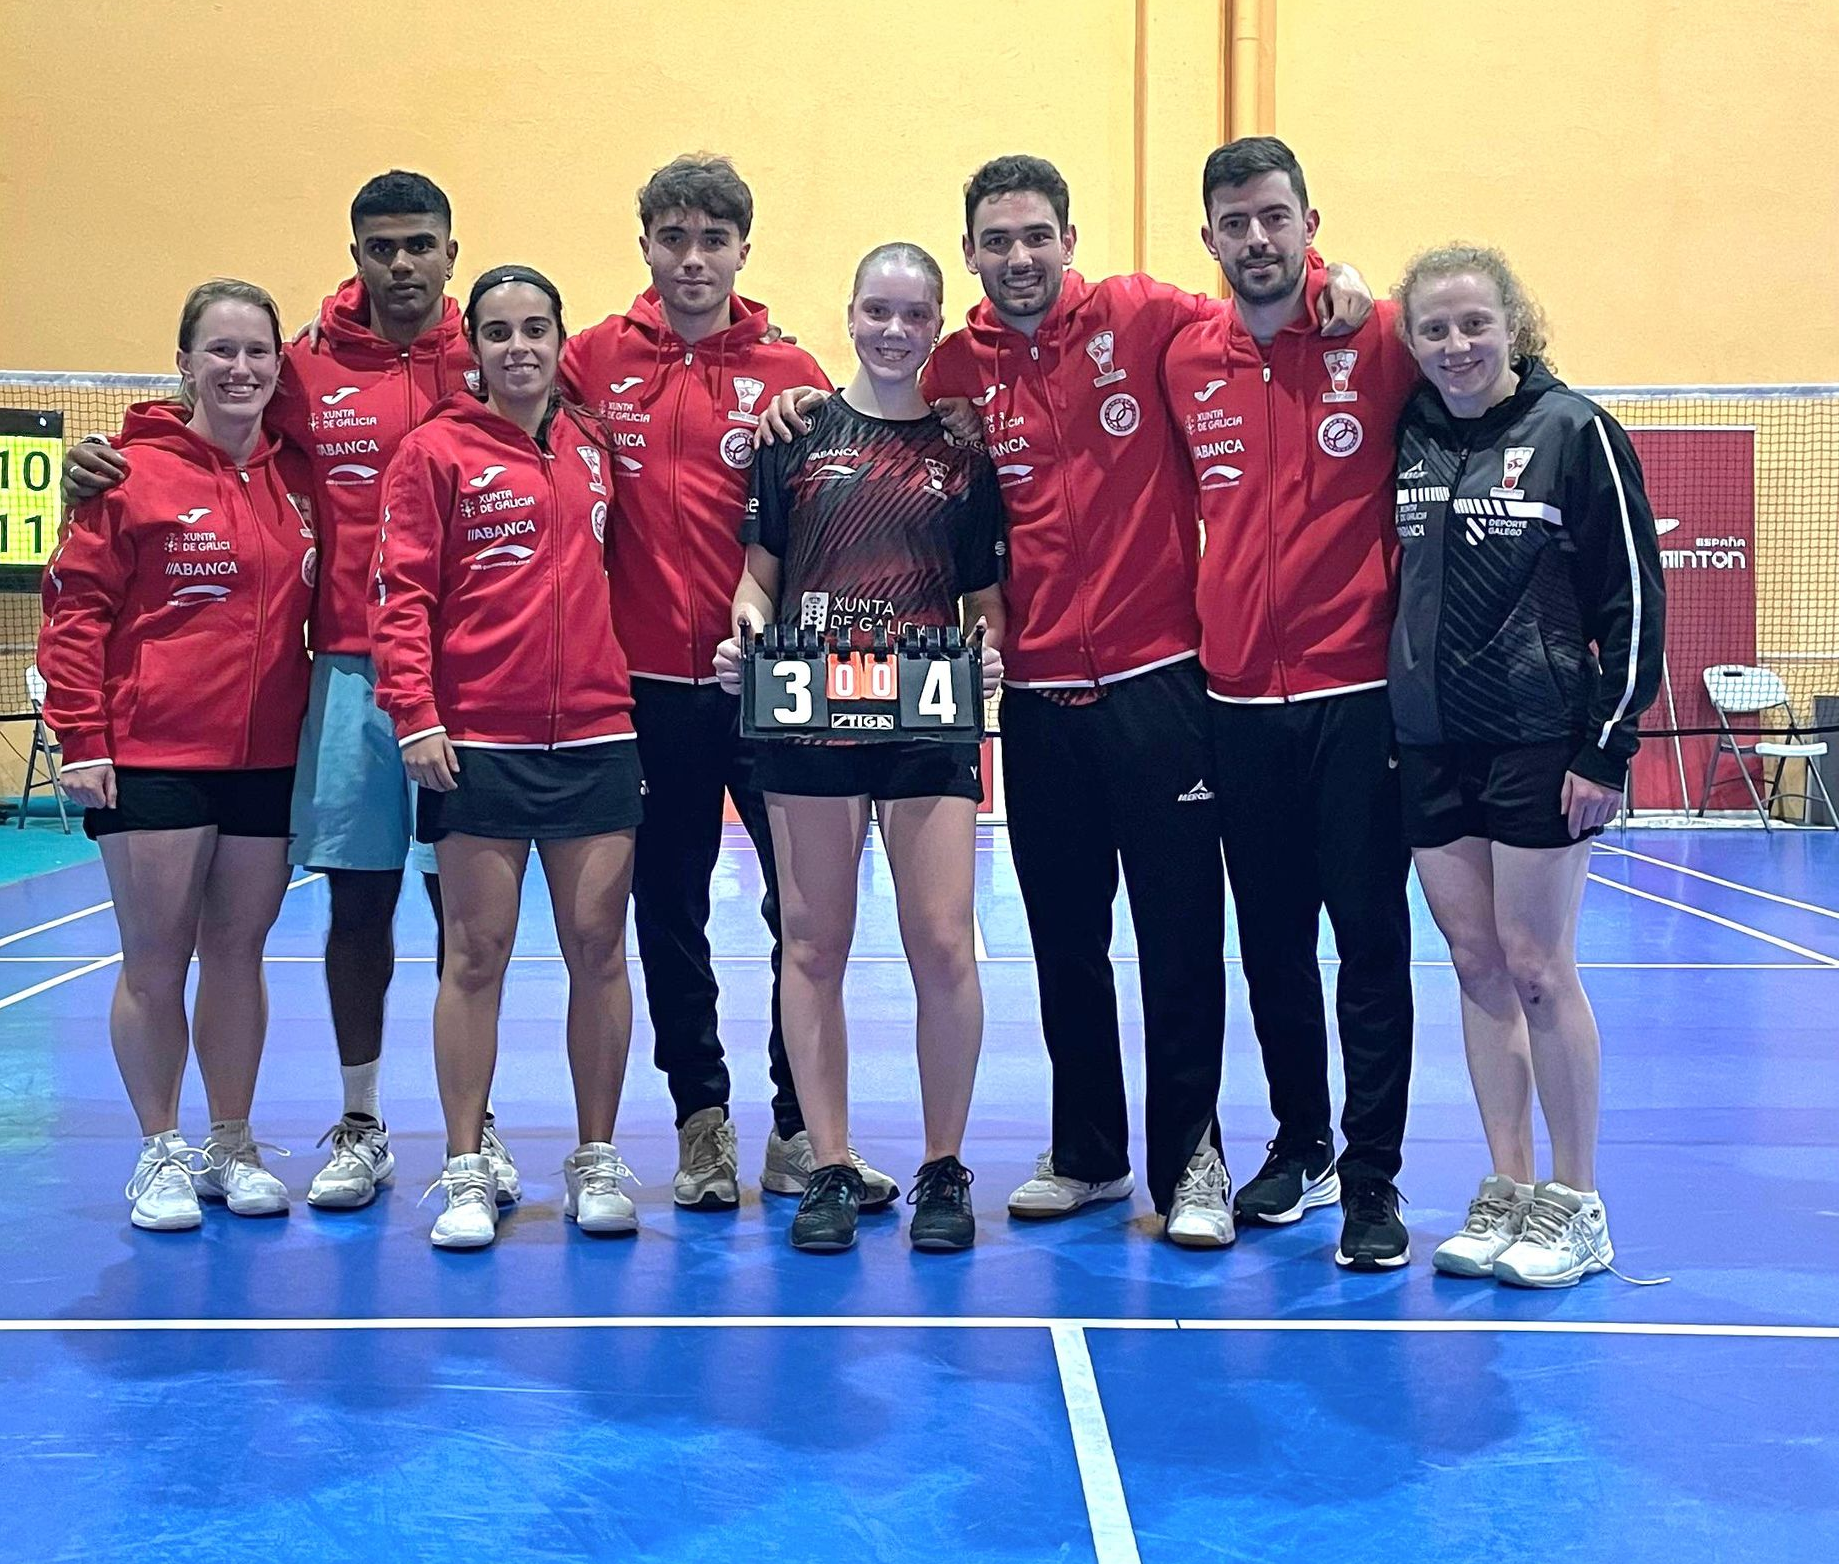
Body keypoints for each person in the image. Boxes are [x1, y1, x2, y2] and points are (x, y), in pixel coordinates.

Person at [763, 154, 1372, 1243]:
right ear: (971, 255)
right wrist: (798, 402)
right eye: (997, 241)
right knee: (1064, 940)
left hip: (1161, 683)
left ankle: (1190, 1161)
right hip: (1036, 698)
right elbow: (875, 407)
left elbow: (1262, 298)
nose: (1019, 258)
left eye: (1036, 236)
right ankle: (1089, 1151)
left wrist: (1334, 280)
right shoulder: (957, 365)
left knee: (1180, 936)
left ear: (1069, 239)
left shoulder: (1145, 315)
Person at [60, 173, 512, 1212]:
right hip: (347, 674)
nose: (402, 263)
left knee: (463, 915)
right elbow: (204, 431)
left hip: (471, 676)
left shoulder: (492, 348)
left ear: (451, 252)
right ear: (356, 256)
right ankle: (356, 1123)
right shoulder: (307, 368)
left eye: (421, 244)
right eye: (381, 246)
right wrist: (111, 450)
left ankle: (469, 1131)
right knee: (356, 901)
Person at [560, 154, 897, 1214]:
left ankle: (799, 1128)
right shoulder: (590, 359)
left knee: (803, 910)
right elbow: (482, 403)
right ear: (646, 246)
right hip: (645, 692)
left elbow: (844, 501)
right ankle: (701, 1122)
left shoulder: (791, 370)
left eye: (713, 239)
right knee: (668, 911)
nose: (693, 259)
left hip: (769, 686)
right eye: (674, 238)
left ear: (744, 249)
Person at [715, 243, 1006, 1254]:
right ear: (849, 313)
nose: (894, 330)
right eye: (877, 310)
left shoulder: (964, 454)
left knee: (942, 943)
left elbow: (984, 601)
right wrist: (745, 632)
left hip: (925, 712)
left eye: (914, 314)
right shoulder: (794, 435)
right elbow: (759, 581)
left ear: (937, 325)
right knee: (812, 942)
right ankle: (829, 1164)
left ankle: (943, 1166)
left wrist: (990, 651)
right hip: (810, 713)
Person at [1161, 137, 1419, 1269]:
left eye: (1275, 217)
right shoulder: (1184, 357)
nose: (1256, 238)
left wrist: (1354, 284)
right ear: (1209, 238)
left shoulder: (1386, 335)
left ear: (1311, 223)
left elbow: (1502, 365)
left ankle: (1372, 1178)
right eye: (1235, 222)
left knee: (1368, 943)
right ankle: (1303, 1144)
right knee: (1270, 945)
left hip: (1358, 697)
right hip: (1235, 703)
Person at [1390, 245, 1665, 1288]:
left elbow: (1632, 599)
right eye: (1434, 329)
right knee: (1476, 965)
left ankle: (1577, 1201)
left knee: (1540, 968)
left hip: (1539, 740)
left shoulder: (1574, 432)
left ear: (1514, 324)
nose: (1456, 345)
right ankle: (1506, 1187)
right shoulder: (1411, 433)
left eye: (1475, 324)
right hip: (1431, 741)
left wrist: (1607, 747)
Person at [370, 265, 644, 1250]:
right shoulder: (432, 452)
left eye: (535, 329)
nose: (518, 347)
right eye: (498, 332)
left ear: (561, 341)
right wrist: (416, 714)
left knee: (599, 950)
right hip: (477, 742)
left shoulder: (593, 447)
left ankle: (597, 1159)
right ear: (474, 348)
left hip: (598, 736)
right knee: (474, 954)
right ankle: (463, 1168)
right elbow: (400, 592)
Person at [39, 280, 316, 1230]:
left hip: (266, 758)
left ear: (279, 364)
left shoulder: (297, 480)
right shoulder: (128, 477)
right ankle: (160, 1150)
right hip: (152, 753)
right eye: (221, 350)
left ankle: (231, 1144)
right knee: (156, 958)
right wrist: (83, 737)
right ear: (185, 363)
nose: (240, 368)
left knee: (238, 953)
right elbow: (76, 614)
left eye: (257, 351)